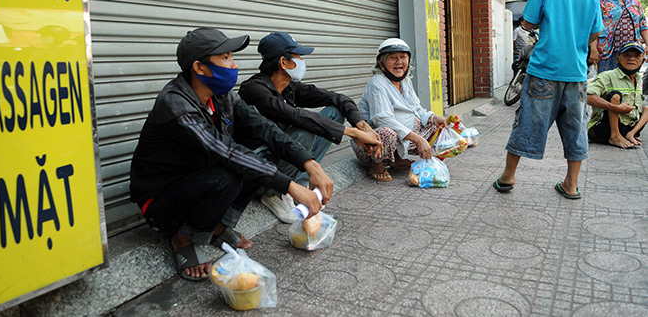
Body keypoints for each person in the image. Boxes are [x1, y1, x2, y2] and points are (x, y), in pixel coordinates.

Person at [129, 27, 330, 281]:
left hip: (197, 179)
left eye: (231, 56)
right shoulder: (175, 103)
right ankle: (181, 238)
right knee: (233, 171)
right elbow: (225, 152)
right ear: (199, 68)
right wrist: (290, 186)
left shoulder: (222, 97)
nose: (233, 64)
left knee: (256, 162)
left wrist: (309, 164)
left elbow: (263, 127)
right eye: (225, 58)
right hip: (161, 201)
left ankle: (217, 226)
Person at [493, 0, 604, 200]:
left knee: (527, 122)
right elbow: (594, 32)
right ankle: (571, 185)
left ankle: (508, 177)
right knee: (575, 129)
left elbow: (528, 23)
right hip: (576, 76)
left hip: (544, 71)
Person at [239, 32, 382, 222]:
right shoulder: (254, 89)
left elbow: (339, 98)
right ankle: (275, 193)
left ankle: (300, 183)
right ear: (283, 62)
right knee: (304, 128)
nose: (302, 61)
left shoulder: (291, 87)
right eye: (298, 57)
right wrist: (352, 133)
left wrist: (363, 127)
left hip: (283, 153)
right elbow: (295, 116)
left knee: (334, 112)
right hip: (257, 161)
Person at [351, 38, 446, 182]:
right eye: (392, 58)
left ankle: (398, 159)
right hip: (371, 143)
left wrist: (434, 118)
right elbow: (382, 119)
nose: (399, 62)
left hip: (402, 137)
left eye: (403, 57)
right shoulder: (377, 83)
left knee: (438, 128)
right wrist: (418, 139)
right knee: (387, 133)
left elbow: (416, 108)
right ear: (382, 64)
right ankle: (376, 165)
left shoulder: (405, 81)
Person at [587, 41, 648, 149]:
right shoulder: (608, 76)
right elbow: (586, 96)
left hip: (627, 127)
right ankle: (615, 136)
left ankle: (631, 134)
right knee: (615, 96)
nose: (632, 59)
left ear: (643, 61)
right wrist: (615, 107)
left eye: (636, 56)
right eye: (627, 55)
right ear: (617, 59)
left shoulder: (639, 78)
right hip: (605, 129)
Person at [589, 0, 648, 73]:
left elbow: (643, 25)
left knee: (629, 82)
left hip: (631, 52)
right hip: (607, 52)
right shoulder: (603, 2)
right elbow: (593, 25)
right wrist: (593, 49)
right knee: (607, 82)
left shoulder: (634, 1)